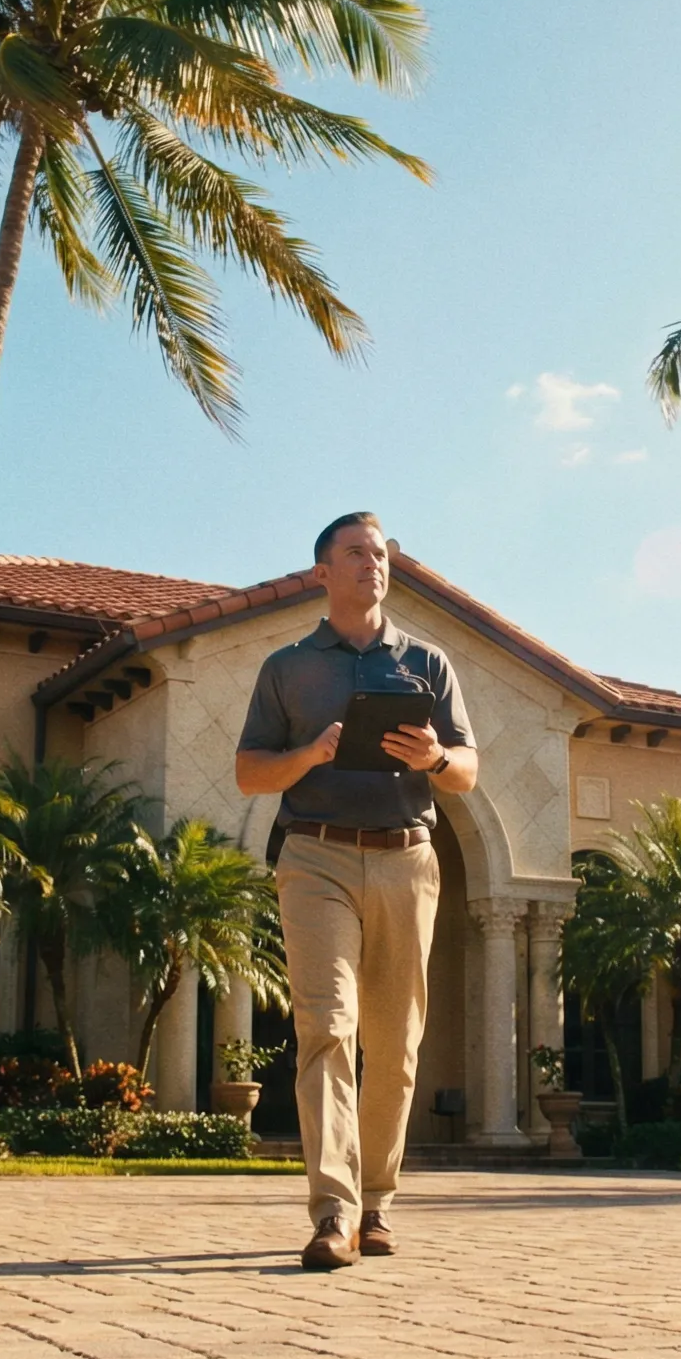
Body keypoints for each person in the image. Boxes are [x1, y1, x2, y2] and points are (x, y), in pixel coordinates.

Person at [236, 512, 478, 1270]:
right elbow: (250, 772)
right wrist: (308, 754)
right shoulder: (287, 667)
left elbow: (469, 771)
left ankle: (378, 1202)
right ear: (323, 573)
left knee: (396, 1046)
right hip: (316, 857)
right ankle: (333, 1211)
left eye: (379, 554)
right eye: (355, 553)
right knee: (327, 1027)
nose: (372, 564)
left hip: (409, 858)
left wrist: (437, 756)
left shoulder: (428, 663)